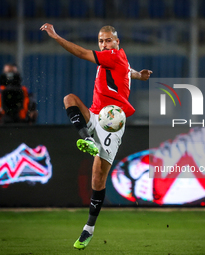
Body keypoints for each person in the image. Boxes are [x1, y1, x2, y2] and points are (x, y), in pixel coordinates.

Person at [40, 23, 152, 249]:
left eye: (108, 40)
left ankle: (88, 228)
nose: (104, 44)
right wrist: (139, 75)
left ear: (116, 42)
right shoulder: (118, 57)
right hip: (95, 114)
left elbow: (81, 53)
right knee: (69, 99)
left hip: (111, 122)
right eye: (101, 41)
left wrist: (56, 36)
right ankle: (87, 138)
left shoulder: (111, 56)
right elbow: (127, 71)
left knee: (97, 179)